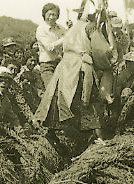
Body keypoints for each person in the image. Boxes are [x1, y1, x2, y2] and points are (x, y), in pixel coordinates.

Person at [34, 3, 109, 156]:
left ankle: (62, 135)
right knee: (85, 102)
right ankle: (91, 139)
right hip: (80, 68)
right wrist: (107, 63)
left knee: (60, 99)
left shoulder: (73, 28)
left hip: (65, 68)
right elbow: (101, 51)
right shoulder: (91, 27)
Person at [36, 2, 66, 87]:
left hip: (60, 64)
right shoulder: (41, 29)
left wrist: (69, 31)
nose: (51, 17)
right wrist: (65, 38)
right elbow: (49, 47)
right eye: (49, 14)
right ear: (44, 15)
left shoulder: (61, 28)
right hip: (47, 66)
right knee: (52, 90)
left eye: (54, 15)